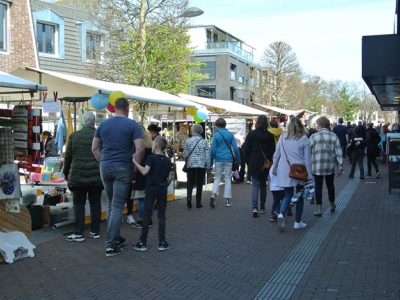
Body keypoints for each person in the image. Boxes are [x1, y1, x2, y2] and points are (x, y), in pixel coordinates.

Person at [92, 98, 144, 257]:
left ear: (114, 108)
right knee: (117, 205)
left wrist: (104, 161)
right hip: (123, 167)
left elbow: (94, 148)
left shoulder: (103, 124)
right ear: (127, 108)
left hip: (105, 167)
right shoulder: (133, 125)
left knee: (111, 204)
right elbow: (140, 149)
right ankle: (111, 244)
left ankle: (115, 236)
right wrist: (135, 167)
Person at [63, 111, 104, 242]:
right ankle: (95, 231)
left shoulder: (74, 136)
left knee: (79, 203)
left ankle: (78, 232)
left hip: (77, 174)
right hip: (96, 174)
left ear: (82, 121)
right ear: (94, 122)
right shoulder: (100, 135)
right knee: (95, 202)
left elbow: (68, 156)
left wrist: (66, 172)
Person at [271, 117, 313, 232]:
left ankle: (281, 214)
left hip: (285, 170)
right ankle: (297, 221)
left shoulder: (283, 137)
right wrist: (310, 175)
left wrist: (274, 167)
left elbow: (277, 154)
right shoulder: (304, 138)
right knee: (299, 195)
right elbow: (307, 159)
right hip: (299, 170)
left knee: (287, 194)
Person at [132, 136, 173, 252]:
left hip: (151, 190)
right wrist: (164, 184)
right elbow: (169, 178)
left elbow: (145, 171)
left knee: (146, 215)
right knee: (161, 216)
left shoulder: (151, 158)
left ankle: (143, 242)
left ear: (155, 145)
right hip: (162, 190)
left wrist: (135, 161)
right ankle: (162, 242)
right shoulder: (167, 160)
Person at [309, 116, 343, 217]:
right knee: (330, 185)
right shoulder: (333, 136)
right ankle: (332, 204)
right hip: (329, 166)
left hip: (317, 165)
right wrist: (340, 166)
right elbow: (339, 152)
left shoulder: (314, 136)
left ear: (320, 125)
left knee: (318, 186)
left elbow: (307, 151)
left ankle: (319, 208)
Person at [243, 115, 275, 217]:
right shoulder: (270, 136)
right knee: (263, 185)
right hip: (265, 163)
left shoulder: (251, 135)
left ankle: (254, 207)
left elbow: (246, 149)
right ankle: (262, 206)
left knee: (255, 185)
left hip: (254, 162)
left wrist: (249, 160)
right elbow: (273, 150)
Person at [126, 125, 154, 228]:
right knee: (148, 199)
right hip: (150, 175)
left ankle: (141, 220)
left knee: (142, 199)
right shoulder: (151, 146)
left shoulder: (137, 147)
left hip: (140, 174)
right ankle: (149, 219)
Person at [210, 118, 241, 208]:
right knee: (228, 178)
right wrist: (238, 160)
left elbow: (213, 150)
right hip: (228, 159)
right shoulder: (230, 134)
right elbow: (235, 148)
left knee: (217, 178)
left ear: (217, 126)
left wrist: (211, 163)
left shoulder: (216, 135)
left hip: (219, 159)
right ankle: (228, 200)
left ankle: (213, 195)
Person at [183, 124, 211, 209]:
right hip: (201, 165)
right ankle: (198, 202)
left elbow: (185, 154)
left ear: (193, 131)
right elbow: (207, 155)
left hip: (191, 165)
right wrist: (208, 166)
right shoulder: (204, 141)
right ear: (201, 131)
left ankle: (189, 198)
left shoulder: (188, 141)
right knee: (199, 183)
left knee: (190, 182)